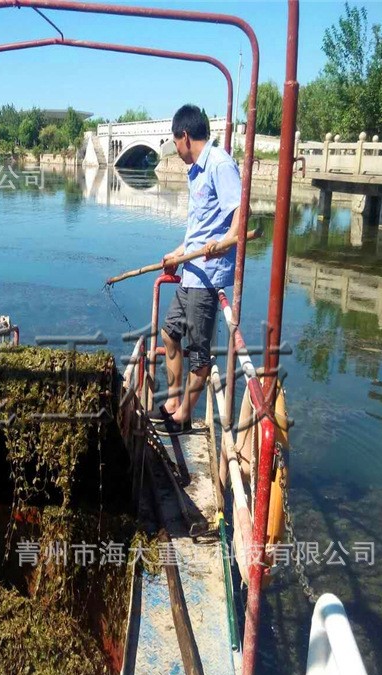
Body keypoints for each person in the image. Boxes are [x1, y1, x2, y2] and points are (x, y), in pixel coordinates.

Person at [154, 104, 244, 437]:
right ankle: (173, 403)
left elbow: (240, 213)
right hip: (191, 271)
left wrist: (227, 240)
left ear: (185, 136)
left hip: (208, 276)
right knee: (169, 334)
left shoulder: (220, 164)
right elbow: (199, 230)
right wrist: (178, 253)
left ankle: (182, 418)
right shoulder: (196, 172)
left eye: (175, 143)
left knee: (201, 358)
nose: (176, 151)